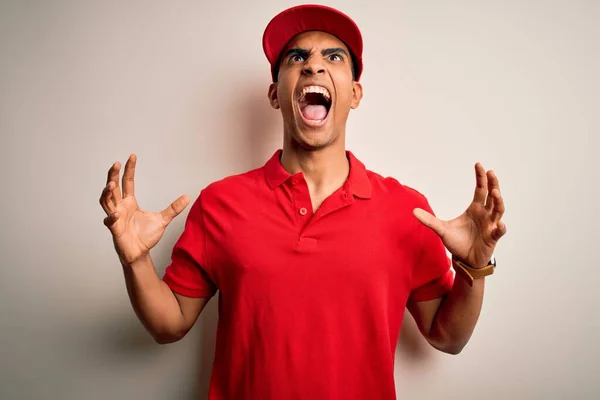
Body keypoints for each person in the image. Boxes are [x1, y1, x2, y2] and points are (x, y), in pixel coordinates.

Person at [99, 4, 506, 400]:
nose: (314, 65)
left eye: (333, 56)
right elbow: (168, 325)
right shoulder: (220, 203)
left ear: (354, 93)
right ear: (276, 95)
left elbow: (447, 337)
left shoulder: (406, 210)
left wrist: (474, 266)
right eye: (297, 57)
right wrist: (135, 261)